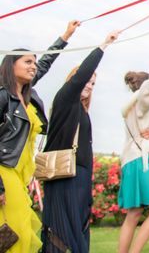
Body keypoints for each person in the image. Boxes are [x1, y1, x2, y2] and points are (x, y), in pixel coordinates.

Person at [0, 20, 79, 253]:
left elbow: (46, 63)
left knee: (16, 230)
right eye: (27, 62)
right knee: (15, 231)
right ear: (10, 66)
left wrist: (65, 36)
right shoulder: (3, 97)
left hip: (22, 172)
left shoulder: (28, 96)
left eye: (34, 63)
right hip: (4, 171)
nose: (33, 66)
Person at [41, 30, 119, 252]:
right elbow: (81, 75)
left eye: (93, 84)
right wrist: (103, 45)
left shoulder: (83, 111)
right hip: (66, 173)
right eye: (87, 81)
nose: (88, 85)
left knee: (80, 224)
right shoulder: (66, 100)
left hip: (80, 176)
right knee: (63, 228)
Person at [117, 65, 149, 253]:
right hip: (140, 161)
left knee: (134, 214)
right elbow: (148, 92)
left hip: (131, 161)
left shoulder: (132, 107)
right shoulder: (141, 104)